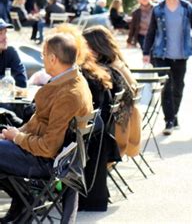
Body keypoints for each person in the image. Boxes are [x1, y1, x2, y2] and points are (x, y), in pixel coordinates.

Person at [0, 33, 93, 223]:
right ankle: (23, 200)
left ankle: (25, 199)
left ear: (53, 59)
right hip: (44, 153)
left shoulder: (69, 94)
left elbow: (49, 147)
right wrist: (15, 135)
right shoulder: (72, 80)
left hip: (47, 162)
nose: (42, 58)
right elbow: (38, 122)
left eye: (43, 54)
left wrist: (17, 137)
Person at [50, 24, 120, 212]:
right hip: (97, 140)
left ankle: (30, 194)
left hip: (81, 145)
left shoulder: (80, 78)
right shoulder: (94, 71)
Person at [143, 0, 192, 135]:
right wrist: (146, 52)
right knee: (166, 87)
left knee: (178, 87)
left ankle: (174, 114)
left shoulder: (186, 7)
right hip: (161, 55)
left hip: (181, 55)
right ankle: (169, 121)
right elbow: (151, 32)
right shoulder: (158, 9)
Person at [83, 25, 141, 159]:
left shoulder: (107, 72)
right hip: (123, 131)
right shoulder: (118, 63)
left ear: (95, 49)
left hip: (111, 138)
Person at [0, 19, 27, 88]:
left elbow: (22, 82)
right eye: (0, 33)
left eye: (5, 32)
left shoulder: (11, 52)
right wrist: (8, 79)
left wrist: (4, 81)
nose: (5, 37)